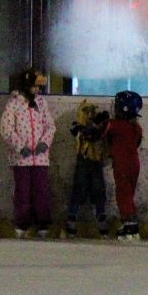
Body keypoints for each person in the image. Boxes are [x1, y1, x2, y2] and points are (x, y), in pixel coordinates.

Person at [0, 66, 56, 239]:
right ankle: (22, 224)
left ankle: (42, 223)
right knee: (22, 192)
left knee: (42, 191)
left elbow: (50, 126)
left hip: (40, 158)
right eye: (34, 86)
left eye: (39, 87)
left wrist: (44, 142)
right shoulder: (14, 103)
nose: (37, 90)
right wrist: (19, 146)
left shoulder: (41, 103)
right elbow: (6, 128)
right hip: (21, 158)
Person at [65, 99, 110, 239]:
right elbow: (85, 134)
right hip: (83, 162)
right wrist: (95, 125)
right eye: (86, 112)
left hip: (96, 163)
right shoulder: (76, 127)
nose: (89, 115)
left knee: (99, 191)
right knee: (78, 190)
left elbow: (98, 135)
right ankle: (71, 222)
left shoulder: (100, 129)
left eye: (92, 113)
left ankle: (102, 223)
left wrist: (99, 125)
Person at [105, 90, 144, 241]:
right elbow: (136, 143)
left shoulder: (115, 125)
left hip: (122, 164)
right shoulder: (137, 127)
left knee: (123, 194)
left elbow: (99, 132)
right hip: (134, 163)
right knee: (129, 194)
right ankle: (131, 223)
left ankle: (129, 224)